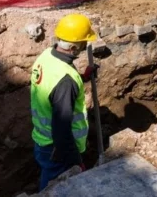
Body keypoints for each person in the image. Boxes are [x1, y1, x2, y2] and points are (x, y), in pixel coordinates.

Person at [30, 13, 98, 191]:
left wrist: (82, 77)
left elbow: (54, 87)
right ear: (74, 47)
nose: (85, 47)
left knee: (48, 177)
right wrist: (76, 161)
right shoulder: (66, 81)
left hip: (42, 140)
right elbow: (62, 129)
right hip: (57, 149)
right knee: (55, 188)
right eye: (83, 44)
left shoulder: (47, 56)